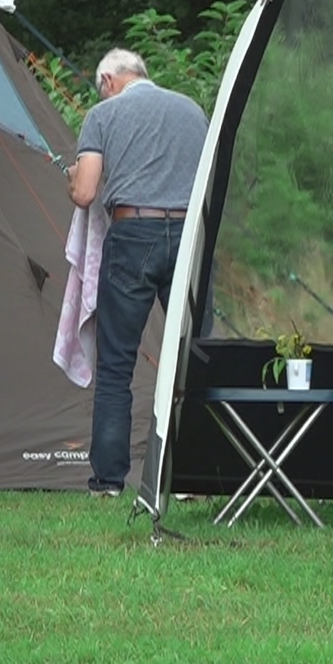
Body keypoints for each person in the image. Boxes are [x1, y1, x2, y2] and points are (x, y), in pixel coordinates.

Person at [66, 48, 208, 496]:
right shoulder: (192, 110)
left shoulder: (103, 115)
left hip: (133, 235)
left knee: (116, 366)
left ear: (108, 79)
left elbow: (86, 192)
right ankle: (192, 475)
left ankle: (109, 481)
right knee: (195, 357)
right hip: (190, 235)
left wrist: (72, 176)